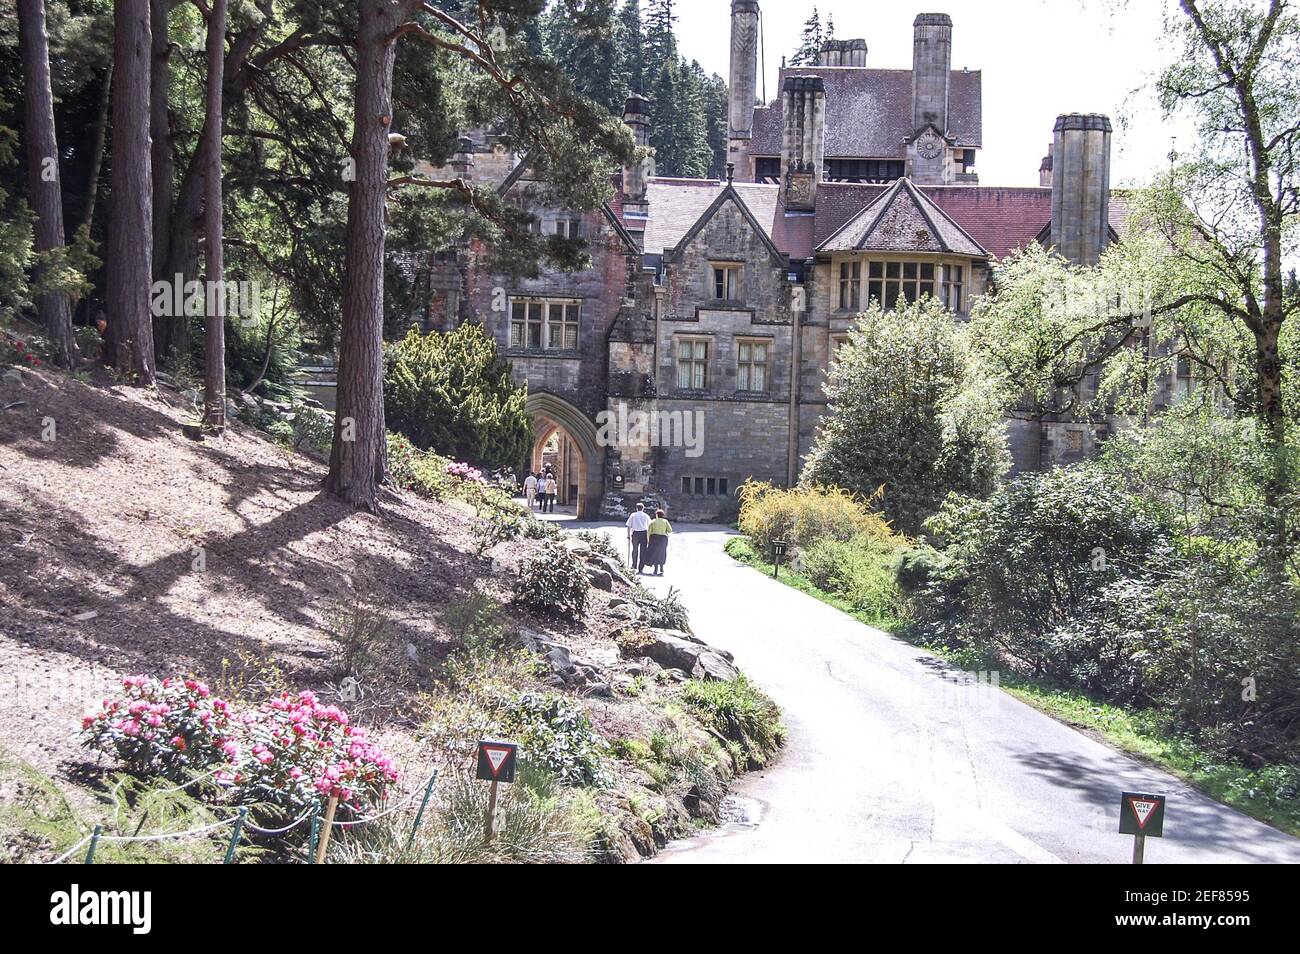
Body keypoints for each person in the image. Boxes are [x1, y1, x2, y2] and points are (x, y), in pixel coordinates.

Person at [645, 509, 672, 575]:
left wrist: (648, 540)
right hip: (663, 539)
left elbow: (649, 531)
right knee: (662, 552)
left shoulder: (653, 521)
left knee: (654, 553)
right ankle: (661, 567)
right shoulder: (665, 521)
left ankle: (655, 569)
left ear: (656, 515)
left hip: (654, 538)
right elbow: (670, 530)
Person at [625, 502, 651, 572]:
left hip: (635, 533)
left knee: (635, 550)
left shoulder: (633, 515)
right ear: (643, 508)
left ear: (636, 508)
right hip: (644, 534)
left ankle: (634, 565)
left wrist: (628, 535)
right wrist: (649, 536)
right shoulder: (646, 516)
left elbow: (628, 525)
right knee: (643, 551)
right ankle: (641, 568)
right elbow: (649, 526)